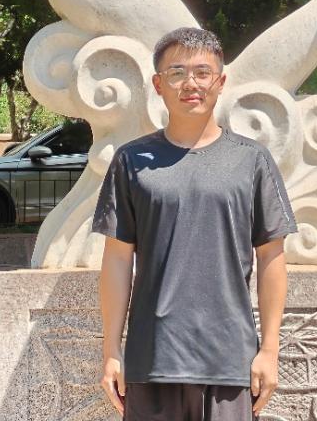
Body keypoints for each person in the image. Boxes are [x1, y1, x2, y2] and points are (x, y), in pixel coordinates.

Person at [93, 27, 297, 420]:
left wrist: (270, 350)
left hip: (231, 362)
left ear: (220, 82)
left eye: (203, 73)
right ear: (158, 84)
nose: (191, 83)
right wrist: (111, 350)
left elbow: (272, 256)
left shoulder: (251, 160)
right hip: (151, 360)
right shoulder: (131, 161)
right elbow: (117, 259)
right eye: (177, 73)